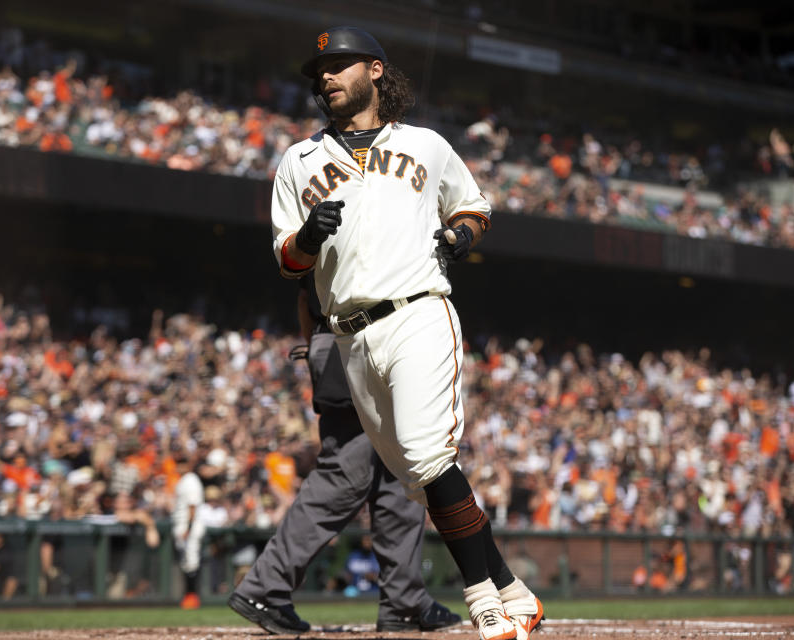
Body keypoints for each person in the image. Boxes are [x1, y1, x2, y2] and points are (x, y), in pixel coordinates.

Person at [269, 26, 542, 640]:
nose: (326, 77)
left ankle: (485, 606)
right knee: (420, 481)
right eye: (320, 71)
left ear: (375, 71)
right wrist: (308, 239)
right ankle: (512, 588)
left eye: (338, 64)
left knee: (425, 455)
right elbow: (285, 258)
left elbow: (475, 206)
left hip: (418, 310)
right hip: (349, 337)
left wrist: (462, 235)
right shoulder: (299, 160)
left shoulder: (424, 145)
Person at [229, 277, 460, 633]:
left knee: (401, 477)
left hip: (340, 339)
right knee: (345, 474)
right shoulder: (371, 228)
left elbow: (304, 296)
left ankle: (404, 601)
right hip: (365, 340)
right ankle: (266, 585)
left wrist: (317, 347)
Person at [172, 451, 205, 609]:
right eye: (178, 463)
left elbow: (193, 506)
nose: (179, 467)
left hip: (189, 527)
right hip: (183, 525)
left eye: (182, 463)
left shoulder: (190, 480)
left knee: (191, 562)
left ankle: (193, 597)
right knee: (186, 563)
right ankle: (189, 596)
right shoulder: (184, 480)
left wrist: (189, 528)